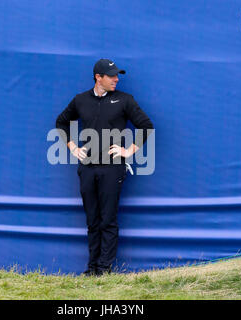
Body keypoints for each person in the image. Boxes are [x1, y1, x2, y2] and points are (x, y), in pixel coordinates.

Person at [55, 59, 154, 276]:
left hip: (112, 169)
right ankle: (92, 269)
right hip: (87, 169)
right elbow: (61, 122)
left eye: (117, 75)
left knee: (108, 219)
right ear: (98, 77)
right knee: (92, 220)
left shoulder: (124, 100)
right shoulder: (80, 100)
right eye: (111, 76)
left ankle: (104, 269)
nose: (116, 79)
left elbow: (146, 126)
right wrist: (72, 147)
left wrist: (129, 151)